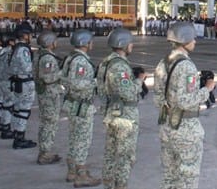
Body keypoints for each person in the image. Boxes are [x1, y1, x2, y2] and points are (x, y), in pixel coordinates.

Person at [154, 22, 216, 189]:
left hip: (167, 126)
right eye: (193, 39)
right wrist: (207, 90)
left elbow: (158, 97)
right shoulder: (187, 66)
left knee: (169, 177)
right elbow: (185, 101)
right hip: (185, 129)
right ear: (185, 41)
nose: (195, 41)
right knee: (187, 178)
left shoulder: (163, 63)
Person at [100, 28, 145, 189]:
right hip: (125, 115)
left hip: (112, 111)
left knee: (111, 152)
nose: (132, 46)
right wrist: (139, 81)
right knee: (124, 155)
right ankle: (120, 185)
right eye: (130, 43)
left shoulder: (107, 62)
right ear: (124, 45)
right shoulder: (120, 66)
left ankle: (109, 184)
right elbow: (128, 92)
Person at [61, 29, 101, 187]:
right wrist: (96, 82)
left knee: (74, 138)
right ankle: (81, 174)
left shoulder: (71, 58)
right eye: (90, 41)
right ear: (85, 43)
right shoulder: (81, 62)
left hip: (73, 103)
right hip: (81, 105)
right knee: (82, 140)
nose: (92, 43)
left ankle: (72, 171)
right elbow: (78, 83)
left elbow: (64, 79)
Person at [34, 30, 64, 164]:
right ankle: (45, 154)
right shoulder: (48, 58)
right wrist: (62, 73)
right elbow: (47, 77)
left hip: (46, 93)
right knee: (49, 124)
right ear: (49, 43)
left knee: (46, 123)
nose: (56, 42)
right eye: (54, 40)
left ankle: (44, 151)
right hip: (49, 94)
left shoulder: (40, 55)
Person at [8, 24, 37, 149]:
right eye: (29, 34)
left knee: (18, 110)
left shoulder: (15, 48)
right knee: (23, 111)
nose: (31, 36)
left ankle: (17, 134)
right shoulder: (23, 50)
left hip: (17, 81)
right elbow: (27, 68)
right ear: (24, 35)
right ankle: (19, 138)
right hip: (24, 82)